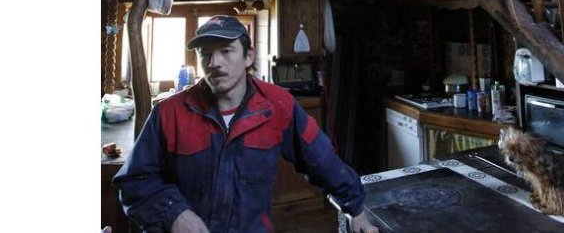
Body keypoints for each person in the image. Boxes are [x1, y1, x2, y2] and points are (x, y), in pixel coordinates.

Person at [113, 15, 379, 233]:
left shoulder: (278, 105)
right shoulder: (168, 114)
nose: (214, 62)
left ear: (248, 56)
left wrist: (355, 209)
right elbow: (135, 181)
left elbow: (321, 159)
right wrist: (174, 214)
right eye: (206, 54)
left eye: (226, 51)